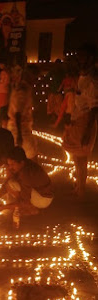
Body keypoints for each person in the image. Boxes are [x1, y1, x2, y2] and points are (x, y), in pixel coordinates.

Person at [62, 43, 98, 199]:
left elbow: (94, 107)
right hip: (77, 120)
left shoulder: (92, 80)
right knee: (76, 157)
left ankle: (81, 190)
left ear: (91, 59)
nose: (80, 61)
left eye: (84, 57)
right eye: (78, 58)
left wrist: (88, 131)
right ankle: (78, 187)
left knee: (82, 158)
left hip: (85, 121)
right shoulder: (82, 77)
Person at [0, 146, 53, 223]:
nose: (10, 167)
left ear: (21, 162)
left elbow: (25, 201)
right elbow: (6, 183)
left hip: (43, 199)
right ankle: (27, 207)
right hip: (38, 192)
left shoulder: (26, 175)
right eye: (9, 164)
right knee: (10, 183)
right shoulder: (22, 166)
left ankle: (32, 208)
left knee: (13, 187)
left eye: (12, 164)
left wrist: (2, 207)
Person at [7, 65, 38, 160]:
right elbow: (17, 113)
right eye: (35, 77)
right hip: (20, 130)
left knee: (17, 160)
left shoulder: (22, 88)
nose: (35, 80)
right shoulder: (22, 90)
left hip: (19, 129)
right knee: (30, 158)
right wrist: (20, 135)